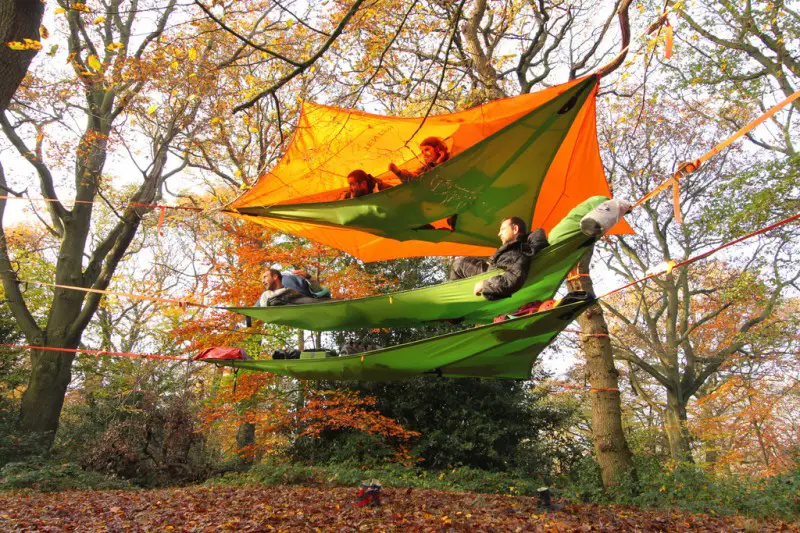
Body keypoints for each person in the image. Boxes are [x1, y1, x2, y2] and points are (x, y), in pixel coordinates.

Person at [448, 216, 549, 300]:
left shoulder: (518, 251)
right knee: (462, 262)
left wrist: (485, 284)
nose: (499, 234)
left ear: (515, 229)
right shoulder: (517, 247)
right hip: (492, 270)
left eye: (503, 229)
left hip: (491, 277)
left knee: (459, 264)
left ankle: (451, 301)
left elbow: (513, 279)